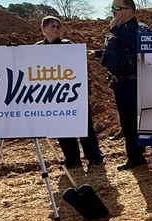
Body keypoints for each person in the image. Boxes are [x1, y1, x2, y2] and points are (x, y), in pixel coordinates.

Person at [100, 0, 152, 173]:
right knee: (127, 124)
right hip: (119, 84)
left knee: (148, 121)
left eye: (118, 7)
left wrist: (115, 29)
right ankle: (135, 157)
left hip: (138, 82)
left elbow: (138, 44)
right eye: (112, 7)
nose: (114, 11)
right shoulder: (117, 31)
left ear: (130, 10)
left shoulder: (141, 29)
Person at [36, 16, 105, 169]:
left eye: (58, 26)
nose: (56, 28)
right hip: (53, 94)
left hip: (73, 92)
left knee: (84, 125)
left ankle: (94, 156)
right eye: (52, 26)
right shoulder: (37, 48)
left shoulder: (69, 46)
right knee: (62, 126)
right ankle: (72, 159)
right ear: (43, 29)